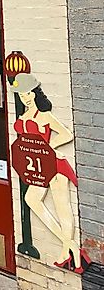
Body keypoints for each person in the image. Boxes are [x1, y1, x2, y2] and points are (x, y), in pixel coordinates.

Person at [9, 73, 90, 273]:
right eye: (21, 95)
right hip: (39, 167)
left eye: (28, 93)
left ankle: (66, 252)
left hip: (54, 165)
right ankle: (71, 246)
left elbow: (66, 133)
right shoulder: (23, 117)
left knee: (62, 206)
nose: (25, 98)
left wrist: (49, 147)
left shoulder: (44, 116)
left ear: (35, 93)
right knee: (31, 198)